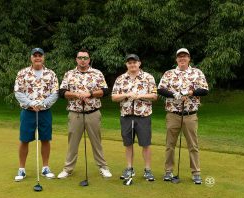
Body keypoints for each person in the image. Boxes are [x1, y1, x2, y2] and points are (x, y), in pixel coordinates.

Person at [57, 48, 112, 178]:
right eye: (80, 58)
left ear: (89, 59)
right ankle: (68, 169)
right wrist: (76, 94)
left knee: (96, 142)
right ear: (76, 59)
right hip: (75, 113)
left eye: (85, 58)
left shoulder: (97, 73)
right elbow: (62, 92)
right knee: (73, 143)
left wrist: (90, 93)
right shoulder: (69, 74)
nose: (83, 60)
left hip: (93, 113)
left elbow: (105, 91)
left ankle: (103, 167)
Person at [157, 48, 209, 184]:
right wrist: (174, 94)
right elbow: (160, 89)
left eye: (184, 56)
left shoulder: (197, 73)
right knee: (170, 145)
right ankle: (168, 171)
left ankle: (196, 173)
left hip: (190, 115)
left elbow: (204, 90)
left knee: (193, 145)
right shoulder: (169, 73)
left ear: (189, 58)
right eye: (180, 57)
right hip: (173, 114)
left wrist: (190, 92)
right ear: (176, 59)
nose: (182, 59)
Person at [14, 48, 59, 181]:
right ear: (31, 58)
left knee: (45, 138)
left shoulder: (51, 74)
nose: (37, 58)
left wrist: (43, 104)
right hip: (28, 112)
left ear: (43, 57)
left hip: (44, 112)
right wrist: (30, 104)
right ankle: (21, 169)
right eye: (35, 56)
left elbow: (55, 92)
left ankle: (45, 168)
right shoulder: (22, 73)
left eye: (40, 55)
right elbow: (18, 91)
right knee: (24, 139)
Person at [112, 54, 157, 181]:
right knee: (128, 143)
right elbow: (114, 97)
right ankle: (129, 168)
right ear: (126, 64)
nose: (132, 65)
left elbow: (154, 96)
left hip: (143, 115)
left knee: (145, 144)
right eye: (129, 63)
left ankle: (148, 170)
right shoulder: (120, 79)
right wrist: (127, 94)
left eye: (134, 62)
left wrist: (139, 96)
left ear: (139, 63)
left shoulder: (148, 77)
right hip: (126, 115)